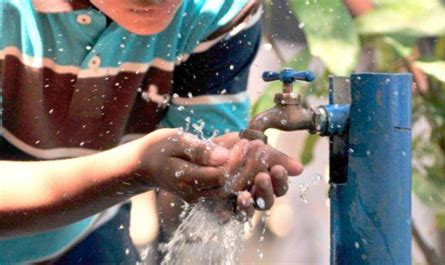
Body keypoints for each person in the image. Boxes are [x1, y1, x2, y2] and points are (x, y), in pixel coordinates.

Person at [0, 0, 303, 263]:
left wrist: (220, 171)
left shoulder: (216, 10)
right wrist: (133, 170)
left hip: (85, 226)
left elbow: (197, 162)